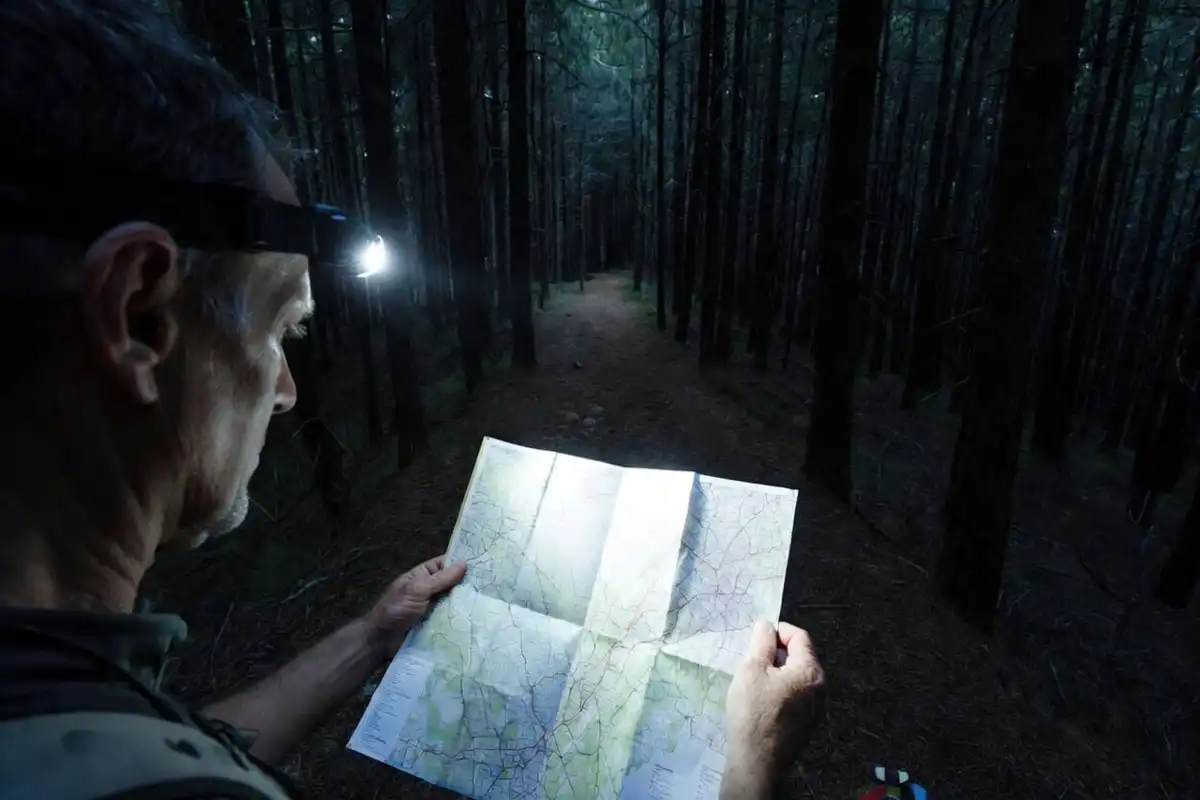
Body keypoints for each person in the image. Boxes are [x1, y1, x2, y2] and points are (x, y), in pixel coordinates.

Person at [0, 2, 826, 799]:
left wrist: (371, 636)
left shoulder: (52, 692)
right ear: (139, 315)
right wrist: (747, 773)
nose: (286, 392)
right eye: (279, 329)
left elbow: (160, 744)